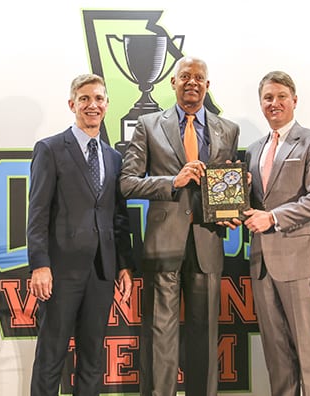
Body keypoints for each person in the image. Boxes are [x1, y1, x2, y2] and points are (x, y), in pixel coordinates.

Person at [120, 56, 240, 396]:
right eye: (185, 76)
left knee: (205, 335)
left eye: (199, 77)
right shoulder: (147, 124)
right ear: (172, 83)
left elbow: (224, 185)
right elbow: (127, 183)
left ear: (207, 85)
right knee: (161, 334)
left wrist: (232, 205)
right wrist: (174, 180)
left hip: (207, 242)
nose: (192, 82)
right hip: (163, 243)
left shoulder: (227, 129)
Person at [27, 73, 135, 396]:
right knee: (51, 358)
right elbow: (37, 212)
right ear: (72, 104)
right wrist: (39, 263)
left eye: (99, 99)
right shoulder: (49, 149)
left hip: (101, 274)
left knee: (92, 361)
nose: (93, 105)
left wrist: (124, 266)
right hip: (60, 272)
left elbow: (119, 217)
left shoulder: (114, 157)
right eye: (85, 99)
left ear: (106, 105)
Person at [242, 71, 310, 396]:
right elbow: (255, 205)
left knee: (309, 355)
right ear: (261, 103)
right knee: (276, 356)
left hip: (301, 262)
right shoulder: (254, 150)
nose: (274, 103)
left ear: (294, 100)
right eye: (268, 97)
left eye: (281, 96)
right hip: (262, 264)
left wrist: (273, 218)